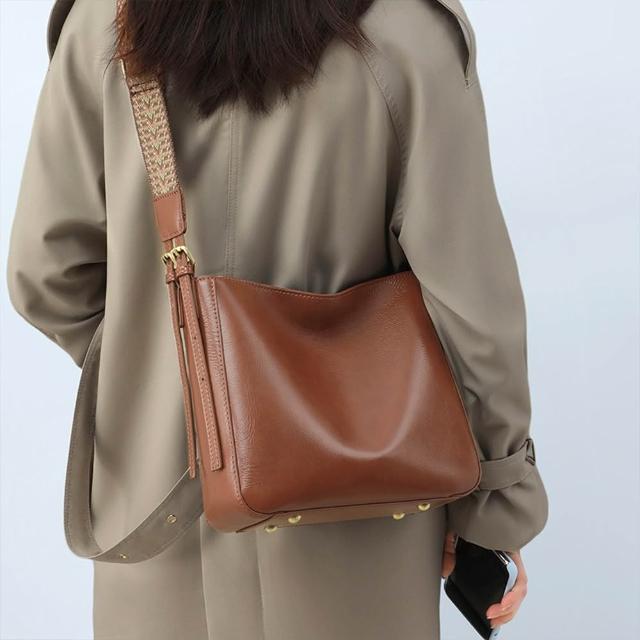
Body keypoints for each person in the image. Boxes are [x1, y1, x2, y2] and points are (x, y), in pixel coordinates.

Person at [6, 0, 548, 638]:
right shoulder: (409, 32)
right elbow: (473, 311)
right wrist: (496, 506)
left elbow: (46, 273)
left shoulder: (106, 20)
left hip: (157, 523)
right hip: (361, 524)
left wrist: (164, 377)